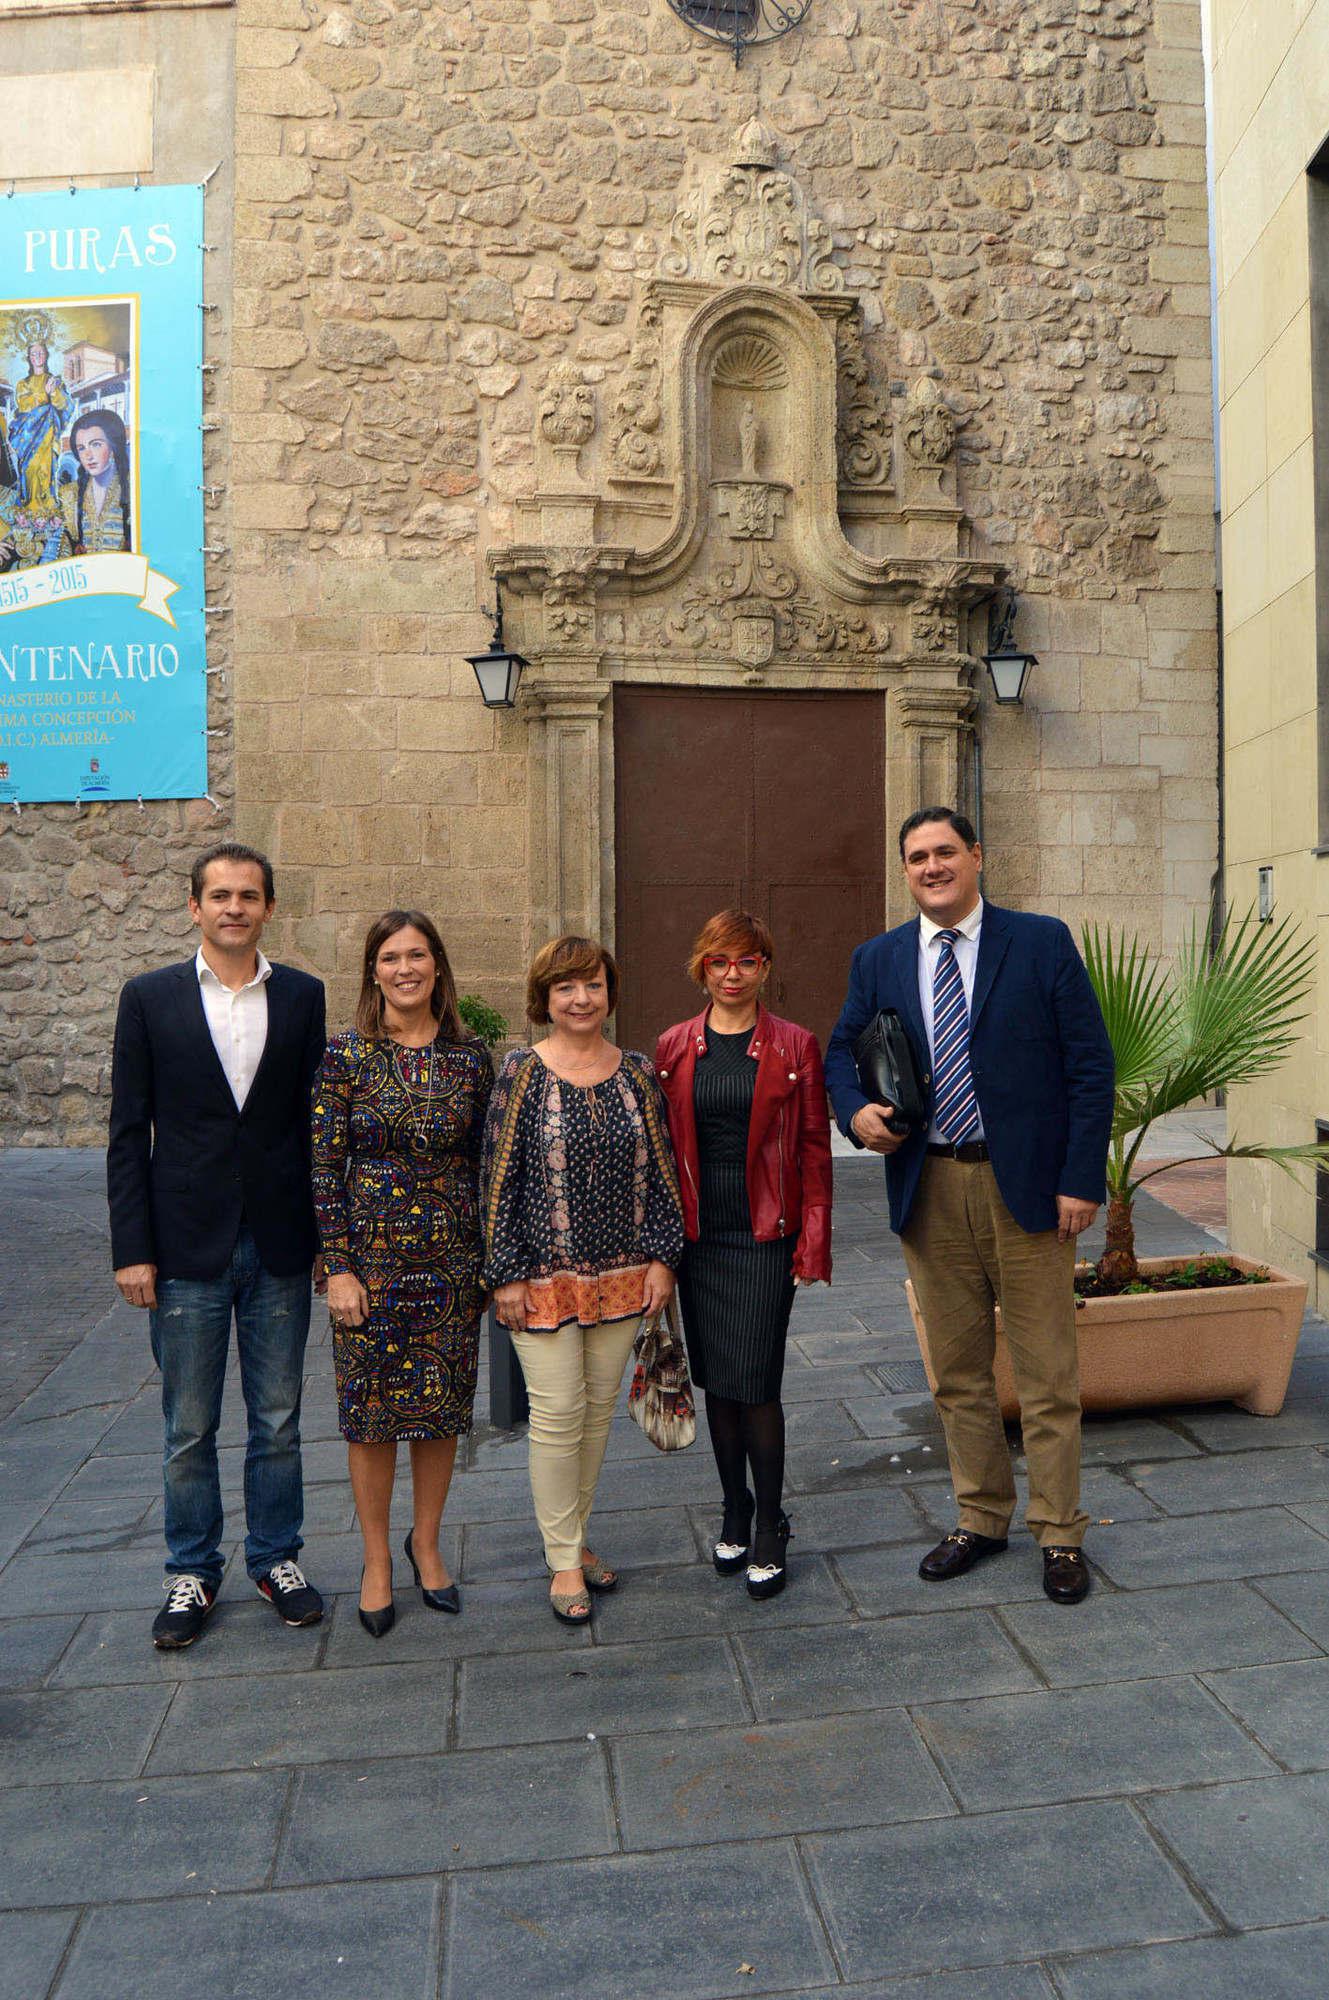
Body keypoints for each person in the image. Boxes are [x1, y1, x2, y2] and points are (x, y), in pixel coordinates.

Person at [825, 808, 1114, 1606]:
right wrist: (853, 1113)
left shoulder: (1040, 941)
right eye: (916, 857)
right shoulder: (878, 957)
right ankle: (981, 1516)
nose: (931, 867)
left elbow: (1090, 1067)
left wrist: (1079, 1180)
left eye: (944, 851)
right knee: (956, 1375)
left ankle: (1058, 1532)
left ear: (976, 857)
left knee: (1046, 1376)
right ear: (905, 870)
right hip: (930, 1186)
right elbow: (839, 1055)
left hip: (1025, 1189)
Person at [107, 843, 327, 1649]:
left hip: (277, 1244)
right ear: (194, 907)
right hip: (183, 1247)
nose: (235, 907)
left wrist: (326, 1242)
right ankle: (191, 1570)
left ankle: (276, 1558)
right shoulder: (149, 999)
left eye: (249, 895)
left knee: (277, 1419)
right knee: (188, 1425)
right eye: (220, 895)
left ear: (269, 908)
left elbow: (314, 1130)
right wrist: (132, 1249)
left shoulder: (304, 997)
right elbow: (128, 1133)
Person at [482, 936, 684, 1625]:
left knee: (597, 1415)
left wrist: (663, 1258)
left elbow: (662, 1171)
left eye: (592, 985)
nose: (579, 999)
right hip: (541, 1277)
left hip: (624, 1275)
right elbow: (496, 1177)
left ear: (608, 992)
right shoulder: (520, 1072)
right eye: (565, 987)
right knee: (558, 1413)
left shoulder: (635, 1073)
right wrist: (504, 1273)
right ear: (544, 998)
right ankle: (563, 1559)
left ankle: (571, 1542)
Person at [310, 911, 493, 1638]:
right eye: (390, 958)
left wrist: (488, 1267)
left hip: (451, 1263)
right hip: (372, 1267)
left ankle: (426, 1541)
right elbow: (323, 1171)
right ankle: (377, 1559)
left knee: (442, 1409)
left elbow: (486, 1165)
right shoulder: (344, 1057)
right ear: (373, 972)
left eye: (417, 955)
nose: (405, 968)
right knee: (370, 1416)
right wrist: (338, 1269)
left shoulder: (470, 1058)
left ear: (438, 967)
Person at [655, 911, 832, 1600]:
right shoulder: (673, 1046)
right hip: (700, 1238)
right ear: (702, 968)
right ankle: (732, 1506)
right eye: (720, 962)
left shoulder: (794, 1046)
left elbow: (814, 1148)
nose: (733, 975)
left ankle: (769, 1521)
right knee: (717, 1385)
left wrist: (812, 1239)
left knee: (755, 1382)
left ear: (765, 968)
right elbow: (664, 1153)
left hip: (764, 1236)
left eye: (748, 962)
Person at [59, 408, 132, 555]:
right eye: (81, 448)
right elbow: (63, 550)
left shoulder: (135, 487)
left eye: (96, 444)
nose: (88, 455)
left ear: (112, 446)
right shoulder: (69, 494)